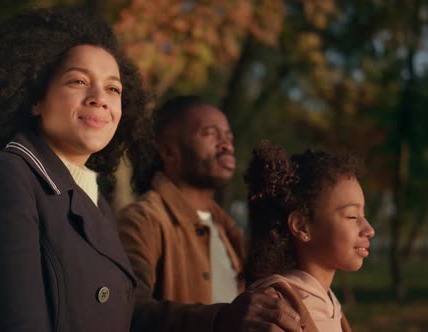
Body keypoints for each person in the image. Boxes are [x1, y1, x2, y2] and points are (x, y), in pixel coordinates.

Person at [0, 8, 149, 332]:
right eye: (78, 81)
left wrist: (222, 318)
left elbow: (124, 311)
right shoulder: (5, 179)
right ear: (35, 99)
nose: (100, 98)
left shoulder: (91, 199)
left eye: (113, 89)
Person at [120, 96, 303, 332]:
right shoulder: (141, 220)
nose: (226, 145)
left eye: (228, 137)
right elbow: (127, 309)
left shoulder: (229, 230)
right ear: (169, 152)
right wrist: (219, 319)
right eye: (210, 134)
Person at [243, 141, 376, 332]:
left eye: (363, 215)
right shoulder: (275, 310)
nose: (369, 229)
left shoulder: (327, 302)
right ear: (302, 226)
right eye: (352, 216)